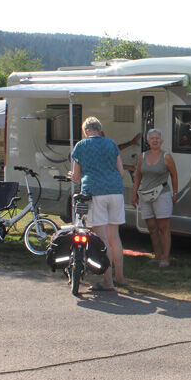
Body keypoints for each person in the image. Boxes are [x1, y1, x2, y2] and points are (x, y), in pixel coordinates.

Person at [68, 117, 126, 291]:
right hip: (115, 191)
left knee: (103, 239)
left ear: (86, 131)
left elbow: (76, 176)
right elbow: (121, 172)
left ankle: (108, 281)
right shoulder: (112, 144)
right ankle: (120, 278)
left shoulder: (81, 146)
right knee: (115, 237)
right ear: (100, 129)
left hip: (95, 192)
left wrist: (72, 176)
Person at [132, 128, 179, 268]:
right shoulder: (143, 156)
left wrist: (175, 193)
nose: (154, 140)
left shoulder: (166, 157)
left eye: (157, 138)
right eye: (152, 138)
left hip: (162, 194)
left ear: (161, 141)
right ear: (147, 141)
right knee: (151, 227)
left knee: (163, 227)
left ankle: (165, 257)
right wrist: (134, 193)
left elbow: (174, 175)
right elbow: (138, 175)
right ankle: (157, 256)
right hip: (145, 195)